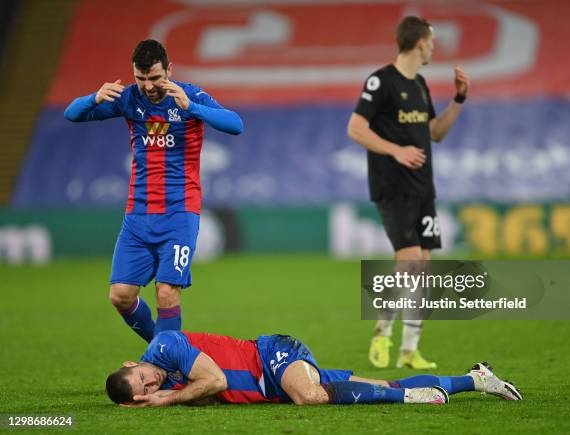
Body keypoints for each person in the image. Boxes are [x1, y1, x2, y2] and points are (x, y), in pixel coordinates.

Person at [64, 40, 244, 342]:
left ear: (169, 70)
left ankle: (168, 364)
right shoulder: (129, 99)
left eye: (155, 78)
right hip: (138, 213)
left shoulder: (189, 95)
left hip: (179, 212)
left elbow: (235, 124)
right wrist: (93, 97)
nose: (147, 86)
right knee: (120, 295)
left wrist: (193, 108)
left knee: (166, 292)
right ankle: (165, 350)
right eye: (141, 78)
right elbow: (73, 114)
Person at [347, 16, 470, 369]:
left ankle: (408, 351)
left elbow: (436, 132)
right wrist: (396, 150)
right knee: (410, 259)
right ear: (419, 42)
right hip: (392, 186)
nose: (434, 46)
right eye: (431, 41)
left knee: (423, 265)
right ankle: (382, 332)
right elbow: (355, 128)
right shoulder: (381, 81)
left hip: (423, 189)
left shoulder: (420, 85)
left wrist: (459, 99)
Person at [105, 330, 522, 406]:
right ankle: (476, 379)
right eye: (146, 388)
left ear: (133, 363)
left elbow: (213, 379)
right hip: (273, 385)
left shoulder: (163, 345)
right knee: (377, 382)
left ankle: (414, 397)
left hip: (273, 356)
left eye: (143, 377)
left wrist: (168, 400)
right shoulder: (171, 379)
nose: (151, 380)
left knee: (311, 397)